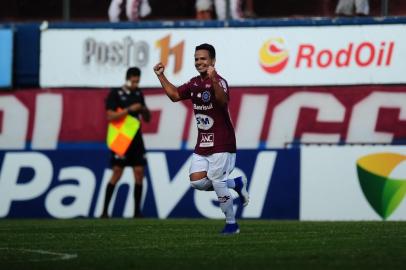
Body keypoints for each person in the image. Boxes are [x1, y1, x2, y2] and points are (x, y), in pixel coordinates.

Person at [153, 44, 249, 235]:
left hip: (222, 142)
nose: (199, 62)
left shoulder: (220, 81)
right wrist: (161, 75)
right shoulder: (194, 83)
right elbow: (174, 95)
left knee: (217, 181)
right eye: (196, 59)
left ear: (212, 61)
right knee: (197, 182)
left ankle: (232, 224)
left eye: (203, 58)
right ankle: (236, 184)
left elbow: (222, 101)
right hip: (203, 143)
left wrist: (213, 78)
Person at [101, 67, 151, 218]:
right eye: (133, 80)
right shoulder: (116, 93)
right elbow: (110, 116)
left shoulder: (138, 94)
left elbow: (147, 119)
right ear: (127, 78)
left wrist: (143, 110)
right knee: (117, 172)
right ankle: (104, 212)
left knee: (139, 172)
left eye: (138, 81)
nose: (135, 84)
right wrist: (129, 109)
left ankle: (137, 212)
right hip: (122, 137)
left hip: (136, 138)